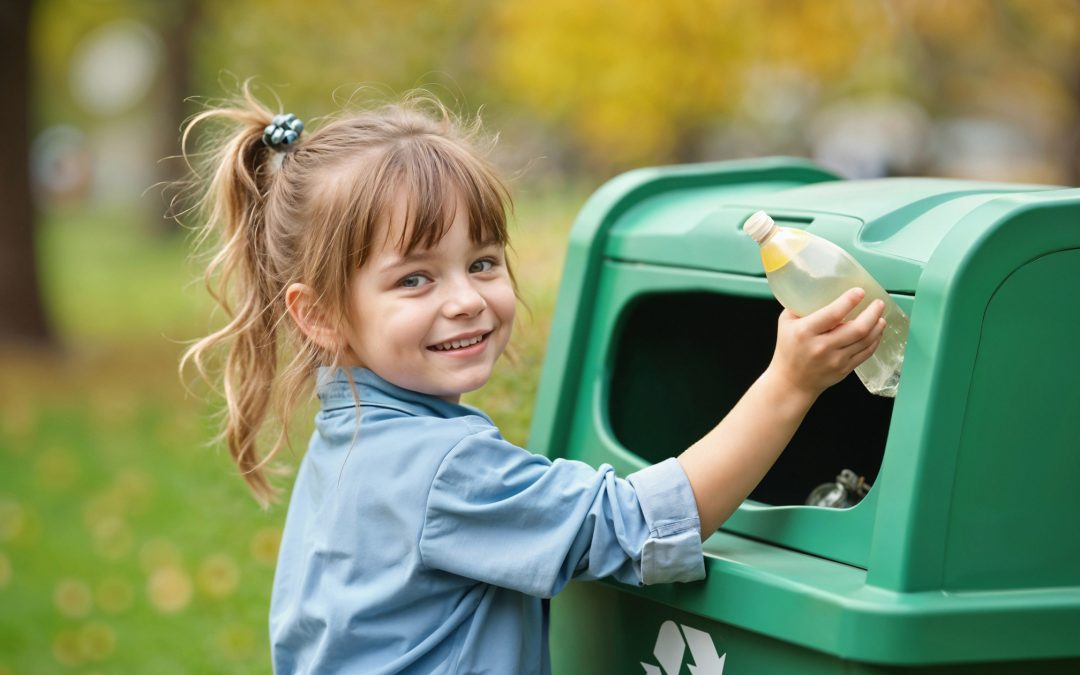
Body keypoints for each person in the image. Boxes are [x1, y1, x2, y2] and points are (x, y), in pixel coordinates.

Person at [180, 84, 886, 674]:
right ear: (320, 315)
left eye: (482, 263)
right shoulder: (441, 466)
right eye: (415, 278)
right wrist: (790, 383)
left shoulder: (355, 438)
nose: (465, 298)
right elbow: (640, 528)